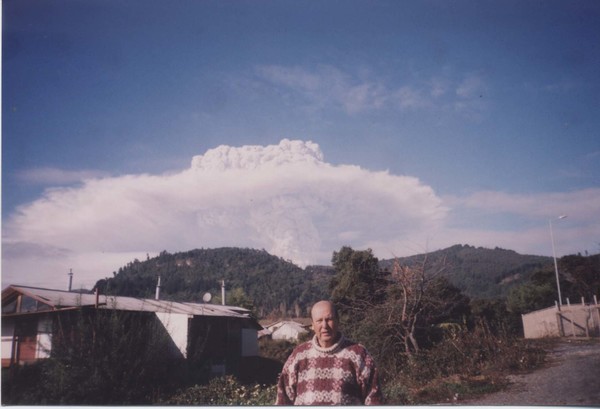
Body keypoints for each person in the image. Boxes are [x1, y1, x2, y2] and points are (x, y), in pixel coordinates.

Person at [275, 300, 383, 405]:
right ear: (312, 325)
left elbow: (374, 399)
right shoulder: (298, 355)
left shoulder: (358, 354)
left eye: (329, 319)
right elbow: (283, 400)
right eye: (319, 321)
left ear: (337, 321)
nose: (324, 326)